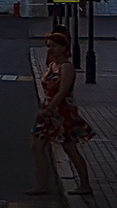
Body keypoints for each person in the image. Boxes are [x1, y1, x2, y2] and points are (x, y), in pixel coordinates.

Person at [29, 30, 94, 196]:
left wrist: (49, 109)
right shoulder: (52, 66)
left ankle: (85, 184)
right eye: (48, 46)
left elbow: (63, 91)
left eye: (55, 46)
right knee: (37, 147)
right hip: (48, 112)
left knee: (70, 149)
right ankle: (42, 185)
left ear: (64, 47)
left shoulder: (67, 67)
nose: (50, 49)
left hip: (61, 113)